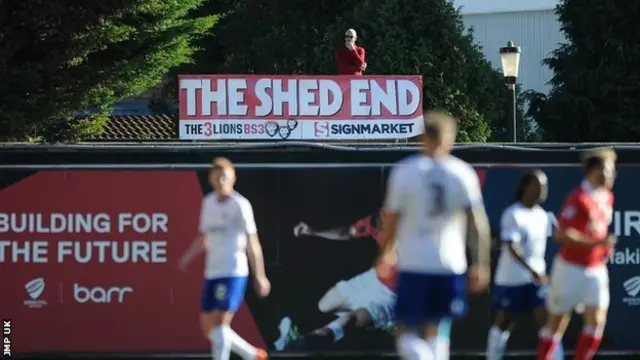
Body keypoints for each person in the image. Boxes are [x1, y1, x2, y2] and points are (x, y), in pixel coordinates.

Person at [378, 111, 492, 360]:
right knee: (437, 330)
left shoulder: (405, 171)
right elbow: (478, 224)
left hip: (414, 263)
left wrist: (385, 253)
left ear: (422, 137)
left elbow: (391, 220)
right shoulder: (462, 172)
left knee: (405, 332)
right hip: (449, 264)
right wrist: (481, 263)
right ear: (450, 138)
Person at [179, 157, 270, 360]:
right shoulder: (208, 203)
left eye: (225, 176)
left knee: (220, 326)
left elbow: (252, 242)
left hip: (233, 271)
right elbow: (203, 237)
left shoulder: (240, 205)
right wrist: (188, 257)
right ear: (211, 178)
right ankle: (252, 355)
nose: (221, 180)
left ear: (233, 179)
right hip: (213, 271)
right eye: (217, 176)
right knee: (208, 327)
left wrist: (260, 276)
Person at [273, 209, 395, 350]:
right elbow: (348, 231)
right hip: (371, 279)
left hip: (391, 296)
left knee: (347, 321)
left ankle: (299, 345)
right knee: (324, 305)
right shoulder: (380, 218)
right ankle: (294, 335)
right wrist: (312, 231)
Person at [537, 149, 616, 360]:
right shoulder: (578, 197)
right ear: (594, 170)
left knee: (597, 322)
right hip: (570, 267)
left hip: (596, 269)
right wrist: (597, 242)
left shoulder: (607, 197)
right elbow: (561, 234)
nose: (612, 175)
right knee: (557, 323)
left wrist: (604, 247)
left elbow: (598, 231)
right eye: (609, 170)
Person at [486, 171, 563, 360]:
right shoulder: (513, 214)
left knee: (547, 320)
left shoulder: (543, 216)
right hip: (511, 279)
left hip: (535, 280)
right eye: (540, 185)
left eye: (545, 186)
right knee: (504, 321)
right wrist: (531, 270)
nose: (544, 190)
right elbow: (511, 247)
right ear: (526, 187)